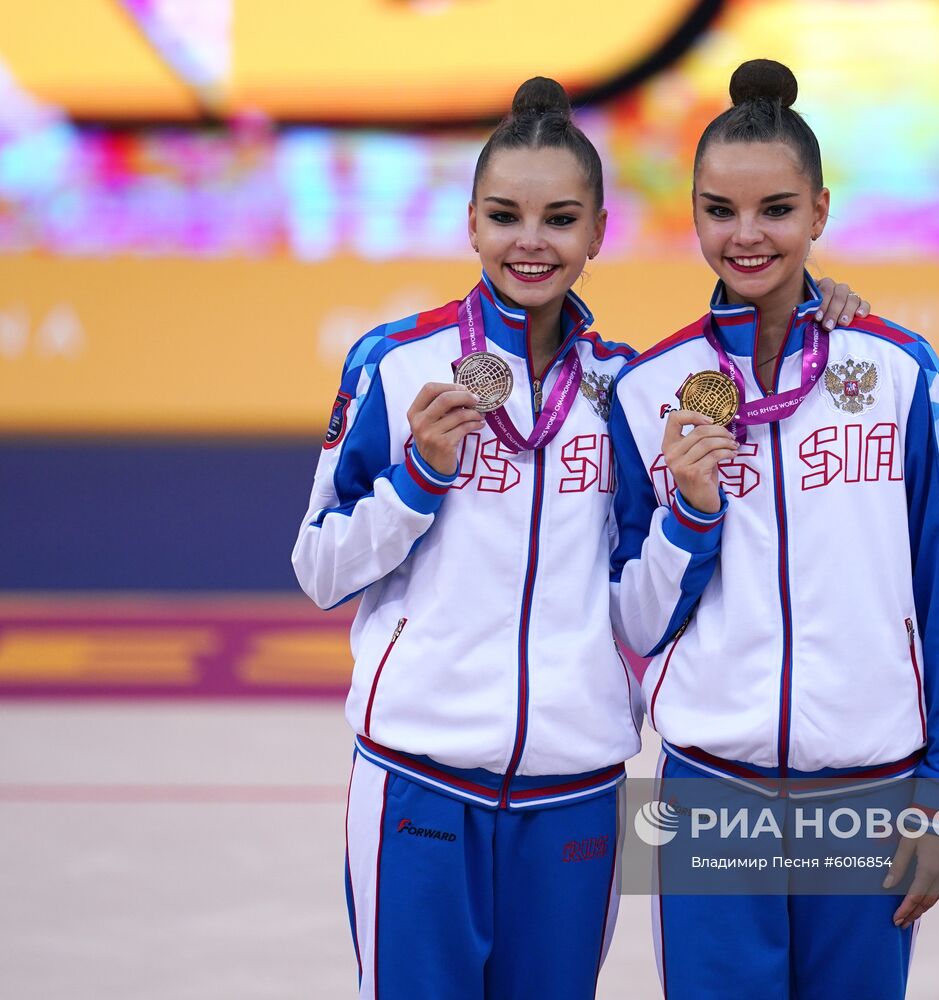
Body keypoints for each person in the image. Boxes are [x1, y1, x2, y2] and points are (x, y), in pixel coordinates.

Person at [292, 76, 868, 1000]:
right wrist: (419, 478)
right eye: (505, 217)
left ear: (599, 231)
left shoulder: (627, 390)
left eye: (560, 220)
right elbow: (319, 569)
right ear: (470, 223)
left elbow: (643, 609)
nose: (531, 241)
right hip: (417, 778)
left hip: (576, 787)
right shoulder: (397, 365)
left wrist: (693, 511)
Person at [608, 60, 939, 999]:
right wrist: (691, 512)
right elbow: (633, 620)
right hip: (713, 794)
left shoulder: (898, 372)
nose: (747, 235)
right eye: (721, 211)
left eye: (776, 209)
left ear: (819, 211)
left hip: (869, 790)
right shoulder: (649, 390)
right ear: (693, 215)